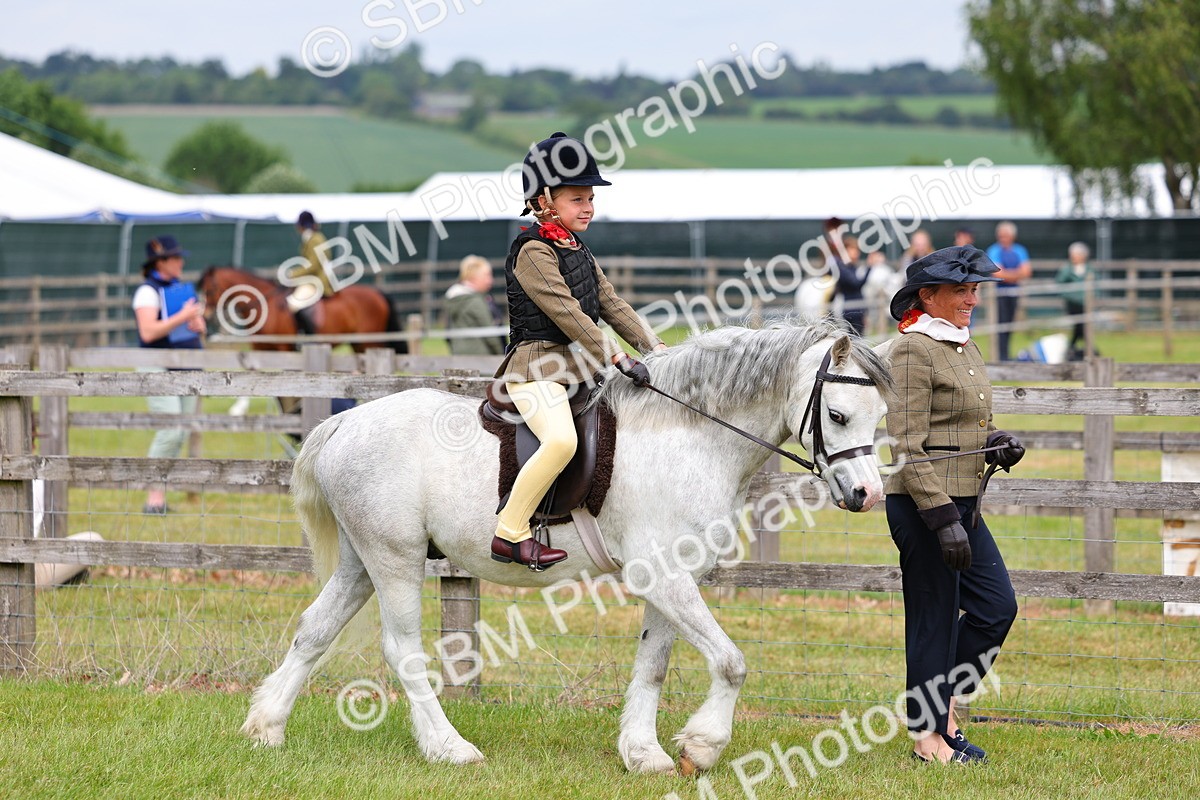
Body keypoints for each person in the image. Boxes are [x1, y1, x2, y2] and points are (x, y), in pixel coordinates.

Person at [492, 132, 666, 569]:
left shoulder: (577, 248)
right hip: (535, 369)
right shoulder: (533, 251)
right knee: (560, 441)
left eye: (590, 198)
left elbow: (611, 303)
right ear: (543, 200)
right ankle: (510, 532)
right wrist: (616, 355)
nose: (588, 207)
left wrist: (656, 347)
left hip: (578, 368)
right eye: (577, 199)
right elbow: (569, 314)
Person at [884, 245, 1024, 764]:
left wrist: (997, 443)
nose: (972, 299)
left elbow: (964, 424)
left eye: (974, 290)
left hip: (966, 503)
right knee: (934, 618)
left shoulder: (962, 344)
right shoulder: (911, 350)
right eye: (962, 291)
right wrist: (941, 518)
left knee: (995, 608)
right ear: (928, 295)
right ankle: (927, 738)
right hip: (926, 509)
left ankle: (941, 706)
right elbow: (905, 444)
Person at [131, 235, 207, 515]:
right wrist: (183, 316)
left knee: (180, 433)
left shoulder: (180, 289)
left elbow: (191, 328)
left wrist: (198, 324)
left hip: (186, 365)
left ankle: (160, 497)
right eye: (175, 258)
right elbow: (148, 332)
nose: (181, 262)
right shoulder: (147, 292)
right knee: (170, 429)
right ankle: (153, 499)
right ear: (160, 262)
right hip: (157, 365)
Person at [985, 221, 1032, 361]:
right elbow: (996, 273)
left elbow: (1027, 271)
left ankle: (1005, 355)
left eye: (1006, 235)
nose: (1003, 238)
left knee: (1009, 324)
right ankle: (1001, 356)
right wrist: (1016, 274)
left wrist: (1007, 275)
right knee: (1000, 324)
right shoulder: (994, 250)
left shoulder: (1020, 250)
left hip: (1014, 294)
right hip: (998, 295)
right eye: (1001, 235)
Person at [445, 255, 506, 356]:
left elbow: (448, 334)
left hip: (458, 357)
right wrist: (502, 355)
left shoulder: (454, 300)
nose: (490, 280)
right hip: (483, 362)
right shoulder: (475, 302)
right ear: (473, 276)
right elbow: (490, 334)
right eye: (486, 275)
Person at [287, 210, 334, 335]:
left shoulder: (314, 239)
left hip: (318, 281)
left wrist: (293, 274)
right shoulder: (313, 238)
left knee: (293, 303)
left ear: (301, 226)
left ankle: (308, 335)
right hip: (313, 278)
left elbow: (314, 265)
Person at [1054, 242, 1093, 360]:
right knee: (1080, 325)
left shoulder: (1089, 269)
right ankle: (1089, 349)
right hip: (1072, 304)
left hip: (1086, 304)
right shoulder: (1067, 269)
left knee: (1080, 326)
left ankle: (1073, 349)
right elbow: (1059, 283)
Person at [832, 235, 870, 335]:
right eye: (852, 249)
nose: (856, 253)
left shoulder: (852, 266)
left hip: (857, 309)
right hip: (848, 311)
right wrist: (869, 268)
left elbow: (858, 288)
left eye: (857, 249)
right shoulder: (841, 266)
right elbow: (855, 283)